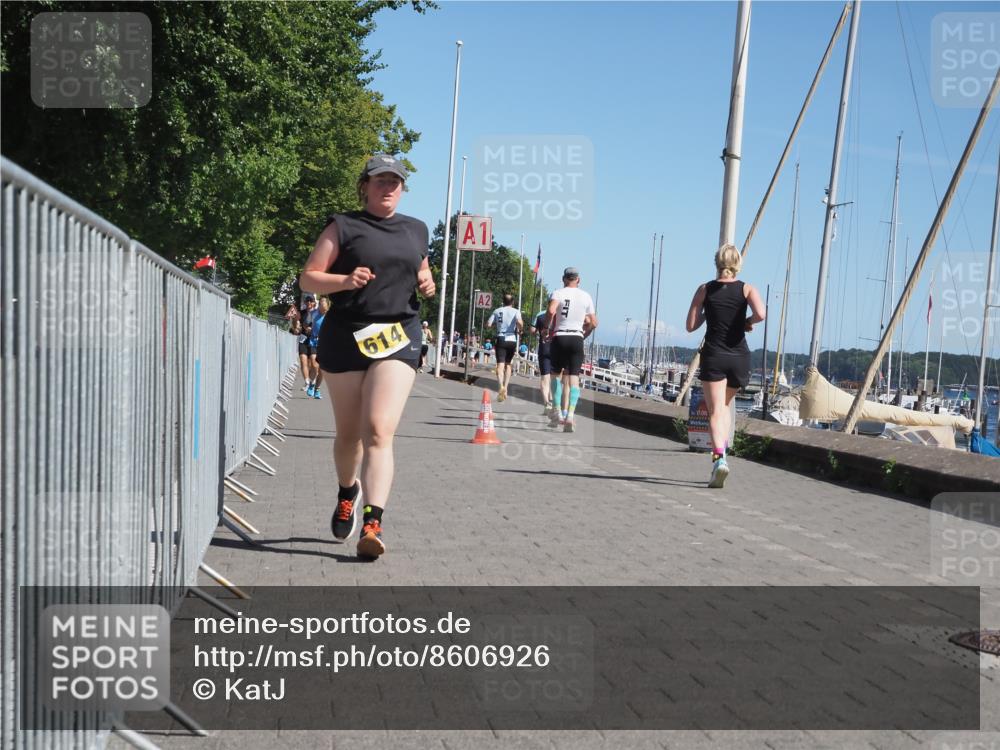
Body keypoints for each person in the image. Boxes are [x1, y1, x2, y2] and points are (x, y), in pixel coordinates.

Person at [300, 154, 435, 559]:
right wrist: (344, 280)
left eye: (395, 181)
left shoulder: (417, 229)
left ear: (403, 188)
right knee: (349, 435)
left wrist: (426, 281)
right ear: (365, 186)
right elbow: (308, 278)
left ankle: (372, 525)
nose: (388, 187)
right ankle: (348, 492)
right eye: (380, 180)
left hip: (398, 335)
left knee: (377, 429)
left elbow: (421, 268)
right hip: (347, 335)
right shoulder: (343, 226)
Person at [685, 243, 766, 488]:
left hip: (714, 355)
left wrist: (708, 311)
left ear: (717, 263)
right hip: (739, 357)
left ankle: (719, 460)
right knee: (725, 407)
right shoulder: (747, 289)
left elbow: (690, 326)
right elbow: (761, 314)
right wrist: (746, 322)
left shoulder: (705, 289)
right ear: (738, 264)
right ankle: (723, 456)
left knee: (715, 412)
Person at [546, 267, 597, 432]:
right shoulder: (586, 296)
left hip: (560, 336)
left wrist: (547, 328)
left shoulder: (558, 293)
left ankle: (557, 411)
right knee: (574, 378)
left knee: (555, 375)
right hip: (576, 338)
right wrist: (584, 334)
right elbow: (593, 322)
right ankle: (570, 415)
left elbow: (551, 311)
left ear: (563, 279)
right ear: (578, 280)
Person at [489, 293, 523, 401]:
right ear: (512, 302)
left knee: (500, 365)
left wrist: (496, 324)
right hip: (512, 339)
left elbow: (488, 324)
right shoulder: (516, 311)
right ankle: (506, 387)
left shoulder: (497, 311)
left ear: (503, 301)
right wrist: (520, 329)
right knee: (508, 364)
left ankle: (501, 387)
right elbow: (520, 322)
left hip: (501, 337)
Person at [530, 308, 554, 414]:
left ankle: (547, 403)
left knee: (545, 378)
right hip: (556, 348)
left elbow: (532, 330)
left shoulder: (540, 314)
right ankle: (553, 401)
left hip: (544, 347)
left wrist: (538, 331)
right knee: (555, 377)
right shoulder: (559, 314)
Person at [307, 297, 330, 399]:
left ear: (328, 307)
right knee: (314, 365)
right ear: (319, 305)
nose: (323, 310)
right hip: (314, 341)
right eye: (321, 306)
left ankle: (317, 389)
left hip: (325, 343)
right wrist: (308, 328)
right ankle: (311, 384)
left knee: (322, 369)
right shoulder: (313, 313)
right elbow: (306, 324)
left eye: (325, 308)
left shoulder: (331, 316)